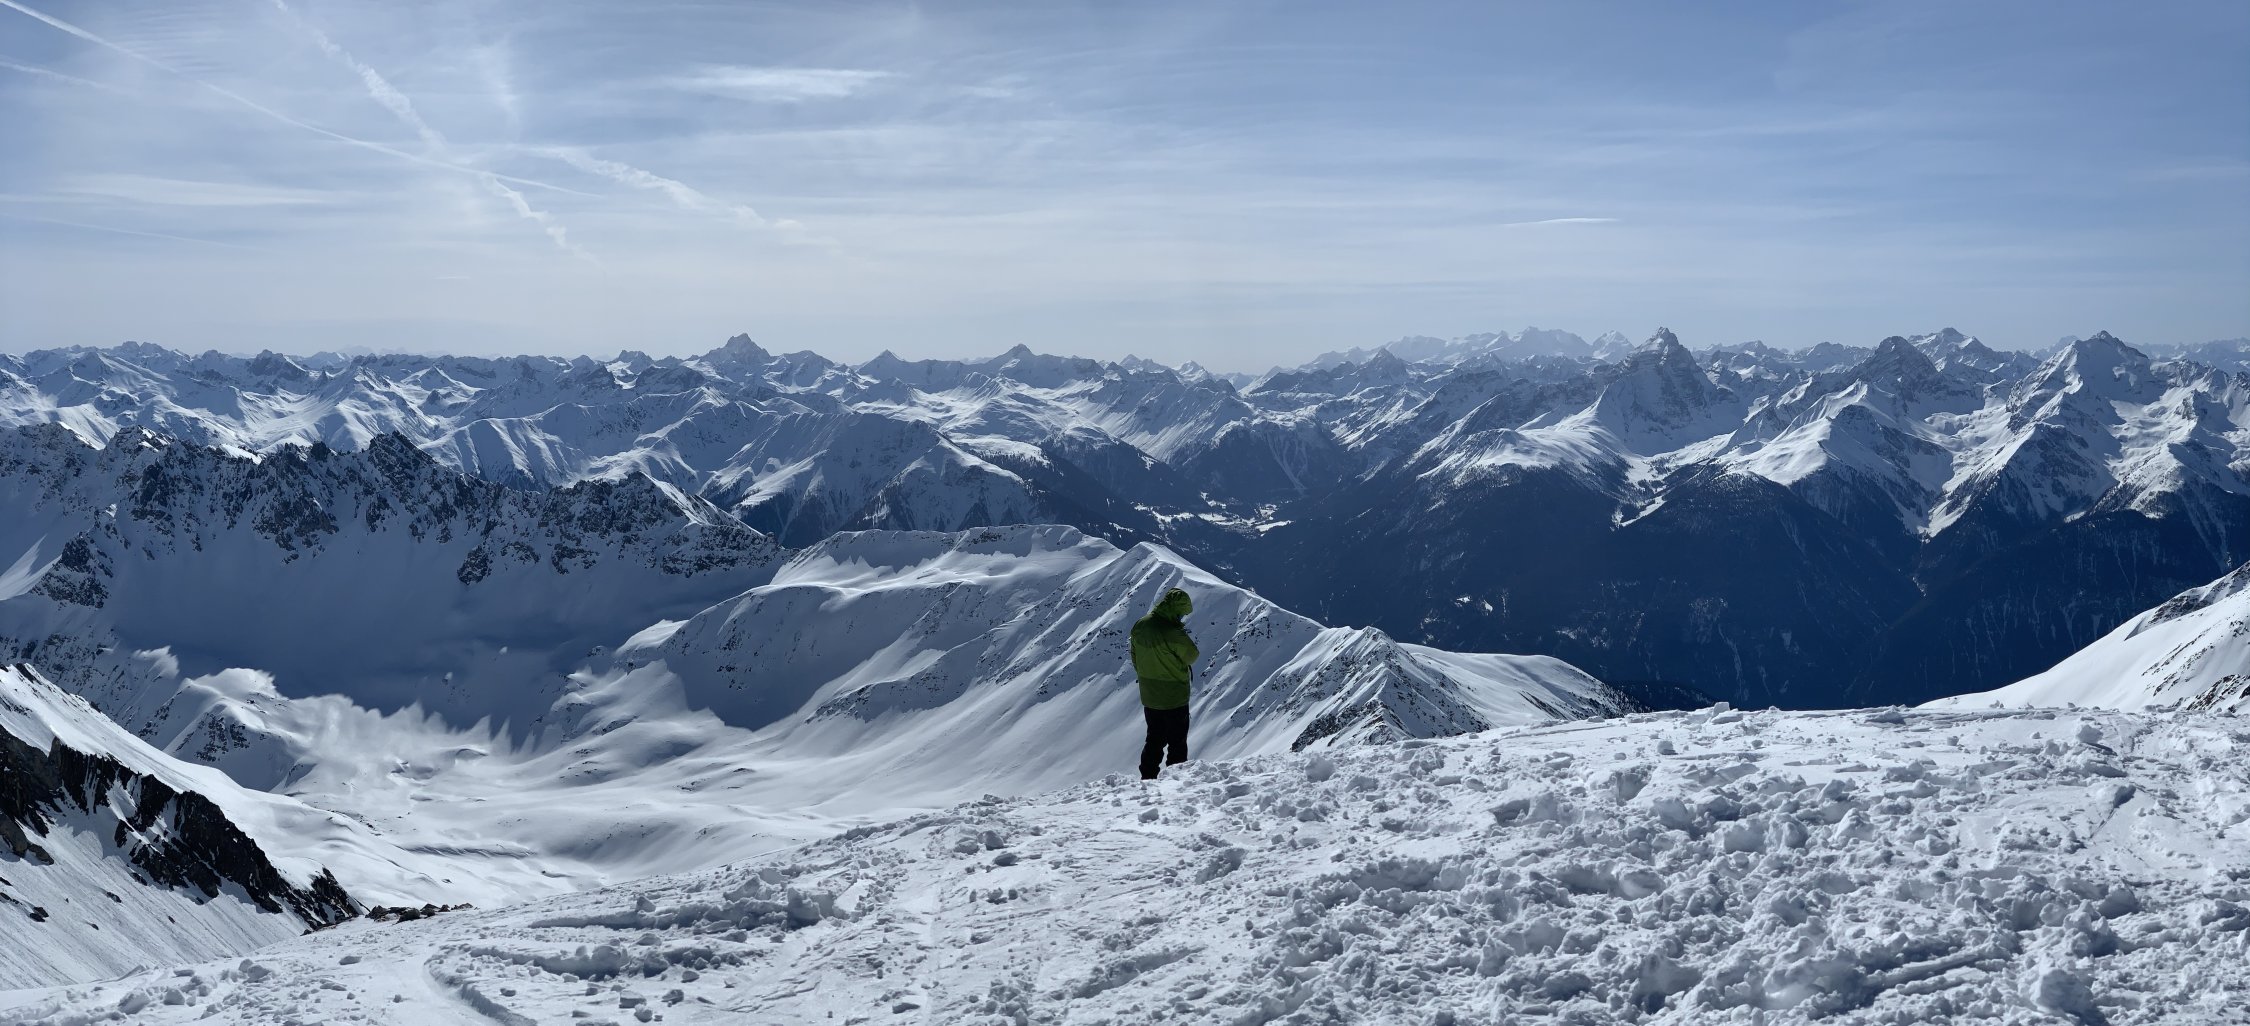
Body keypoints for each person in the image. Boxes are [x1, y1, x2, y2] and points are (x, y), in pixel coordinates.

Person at [1129, 587, 1198, 779]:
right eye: (1181, 613)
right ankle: (1175, 780)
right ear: (1176, 611)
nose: (1182, 618)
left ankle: (1147, 778)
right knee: (1177, 742)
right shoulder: (1172, 632)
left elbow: (1134, 657)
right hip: (1174, 697)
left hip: (1150, 696)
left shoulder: (1140, 625)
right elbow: (1192, 655)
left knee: (1154, 739)